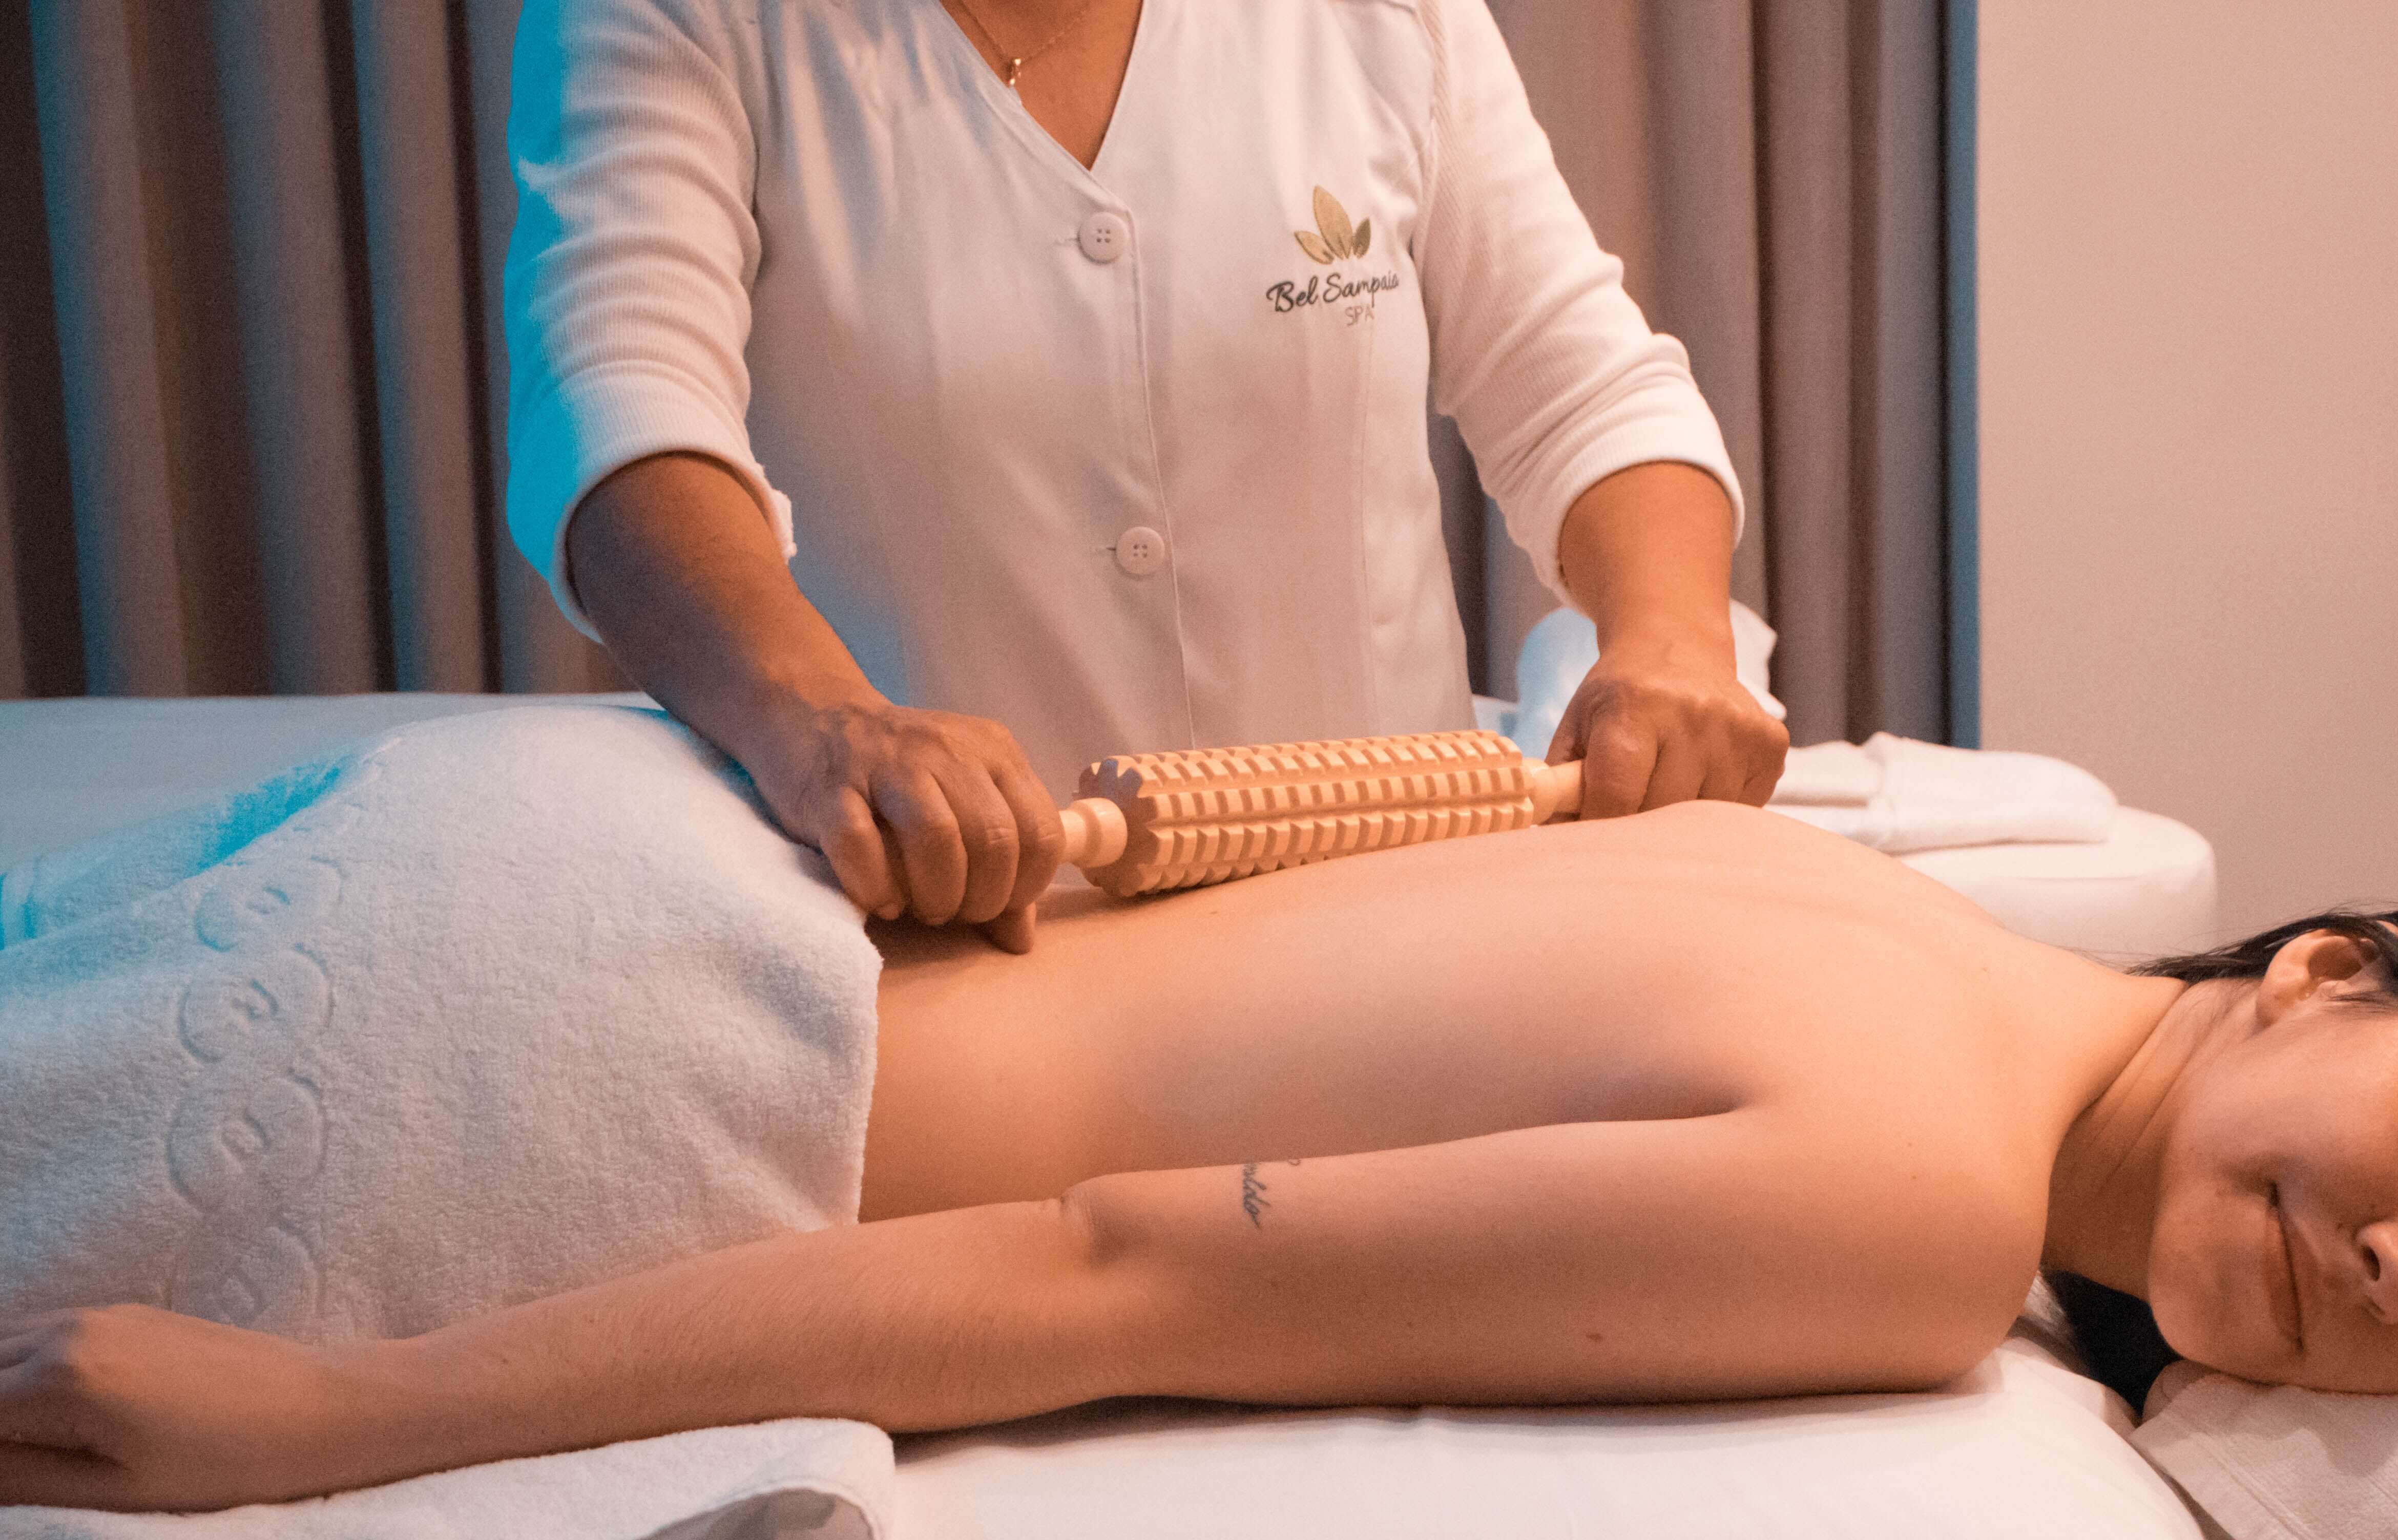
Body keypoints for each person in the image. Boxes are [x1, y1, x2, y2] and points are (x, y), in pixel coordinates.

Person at [0, 799, 2398, 1514]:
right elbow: (1108, 1275)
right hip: (605, 1078)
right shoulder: (1921, 1206)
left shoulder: (1873, 904)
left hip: (593, 894)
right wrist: (331, 1427)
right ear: (2327, 970)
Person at [510, 0, 1784, 952]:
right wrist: (822, 727)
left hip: (1408, 924)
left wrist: (1671, 640)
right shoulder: (682, 20)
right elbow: (618, 412)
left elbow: (1585, 386)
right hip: (980, 943)